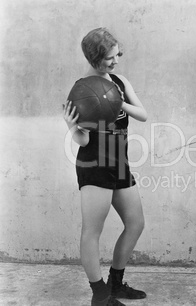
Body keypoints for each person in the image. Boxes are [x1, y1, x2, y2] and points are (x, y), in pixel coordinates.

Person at [63, 28, 148, 306]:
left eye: (117, 55)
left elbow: (143, 115)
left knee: (135, 223)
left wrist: (114, 98)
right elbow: (83, 139)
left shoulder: (119, 81)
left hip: (119, 162)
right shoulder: (82, 89)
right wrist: (71, 126)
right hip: (94, 163)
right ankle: (100, 296)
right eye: (110, 58)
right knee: (92, 231)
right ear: (94, 57)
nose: (116, 62)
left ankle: (116, 283)